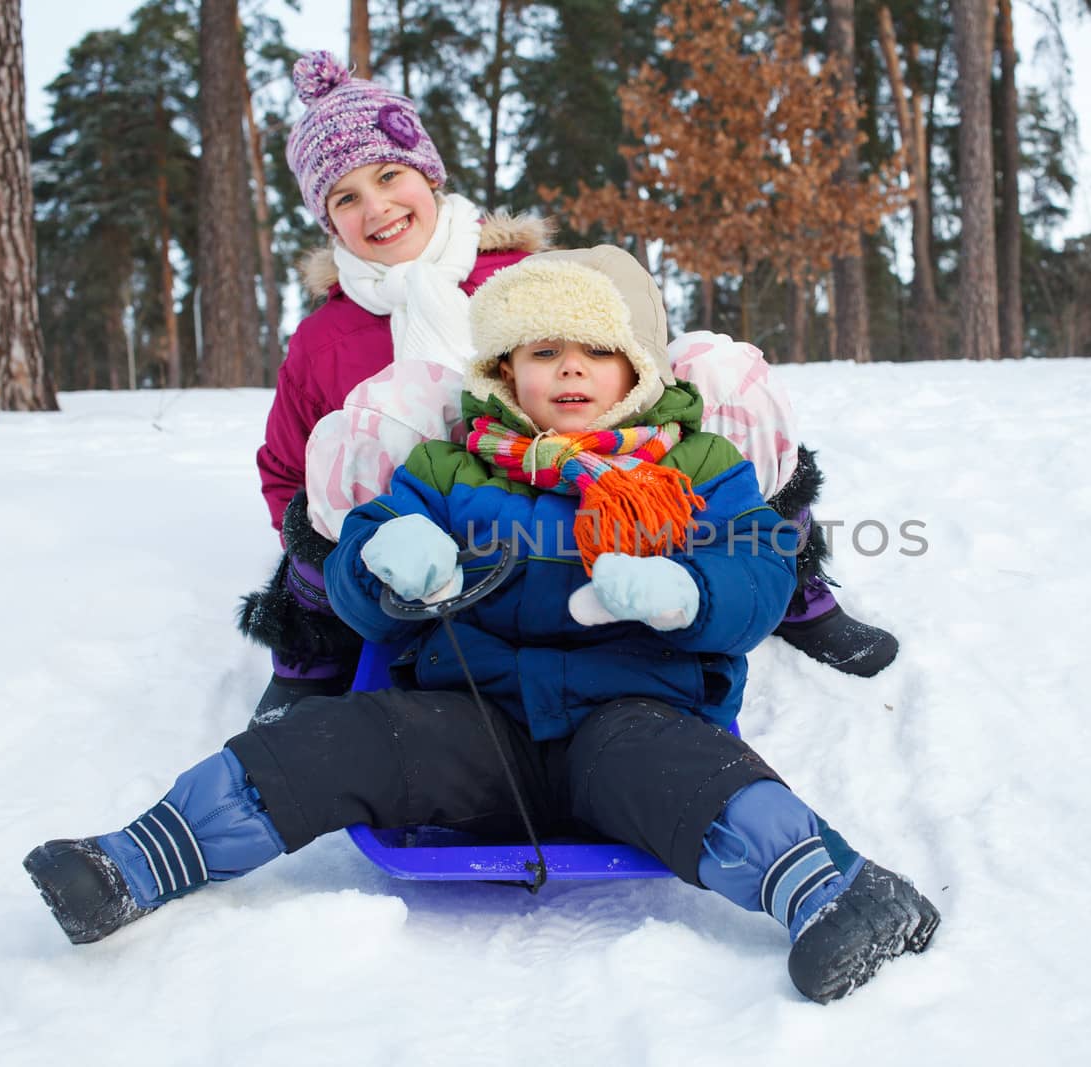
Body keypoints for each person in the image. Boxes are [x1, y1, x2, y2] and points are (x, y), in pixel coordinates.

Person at [24, 248, 939, 1004]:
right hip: (469, 711)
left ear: (635, 369)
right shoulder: (451, 463)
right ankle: (137, 861)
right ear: (505, 373)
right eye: (542, 352)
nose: (570, 368)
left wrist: (686, 591)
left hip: (635, 712)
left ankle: (844, 893)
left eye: (594, 350)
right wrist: (387, 560)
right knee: (331, 740)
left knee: (699, 783)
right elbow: (360, 569)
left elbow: (757, 573)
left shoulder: (698, 465)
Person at [240, 51, 898, 725]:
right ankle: (318, 643)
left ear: (428, 176)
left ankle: (784, 582)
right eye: (346, 197)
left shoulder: (525, 270)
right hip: (443, 526)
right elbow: (288, 468)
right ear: (327, 219)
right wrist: (338, 553)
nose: (375, 206)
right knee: (382, 412)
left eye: (389, 175)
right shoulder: (325, 337)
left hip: (584, 483)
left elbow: (618, 363)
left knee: (716, 367)